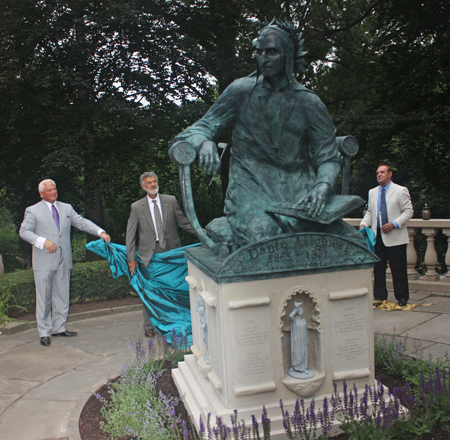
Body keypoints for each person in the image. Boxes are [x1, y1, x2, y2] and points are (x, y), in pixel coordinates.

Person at [170, 19, 360, 248]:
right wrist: (204, 142)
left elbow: (328, 157)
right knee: (263, 236)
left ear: (288, 55)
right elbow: (200, 128)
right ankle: (227, 228)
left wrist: (323, 187)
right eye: (259, 52)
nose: (264, 58)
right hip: (250, 185)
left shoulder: (310, 103)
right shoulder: (240, 91)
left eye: (272, 52)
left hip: (299, 190)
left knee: (347, 240)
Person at [19, 179, 111, 346]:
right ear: (41, 194)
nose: (53, 192)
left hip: (64, 259)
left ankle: (59, 327)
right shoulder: (32, 211)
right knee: (44, 297)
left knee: (62, 295)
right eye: (49, 190)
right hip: (44, 261)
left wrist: (100, 232)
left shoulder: (66, 207)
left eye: (54, 189)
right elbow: (24, 232)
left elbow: (81, 222)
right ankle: (44, 332)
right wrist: (43, 241)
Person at [126, 172, 196, 337]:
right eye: (148, 182)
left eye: (154, 181)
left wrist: (204, 233)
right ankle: (149, 326)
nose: (152, 184)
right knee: (149, 290)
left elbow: (184, 223)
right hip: (148, 256)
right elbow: (130, 234)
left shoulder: (170, 201)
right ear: (143, 186)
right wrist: (131, 258)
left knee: (173, 288)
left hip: (171, 254)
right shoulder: (137, 207)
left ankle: (175, 321)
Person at [359, 164, 413, 306]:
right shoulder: (372, 192)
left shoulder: (400, 191)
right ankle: (379, 297)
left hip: (395, 237)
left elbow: (408, 211)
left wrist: (394, 224)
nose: (379, 174)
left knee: (398, 269)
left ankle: (402, 297)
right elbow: (371, 212)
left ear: (390, 174)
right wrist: (364, 223)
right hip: (378, 237)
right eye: (377, 172)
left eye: (382, 172)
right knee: (378, 269)